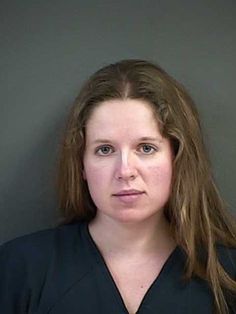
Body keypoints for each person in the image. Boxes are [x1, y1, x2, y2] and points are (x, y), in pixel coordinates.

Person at [0, 59, 236, 314]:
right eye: (104, 150)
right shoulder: (20, 268)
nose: (125, 171)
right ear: (81, 165)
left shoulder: (228, 271)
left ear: (176, 158)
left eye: (146, 148)